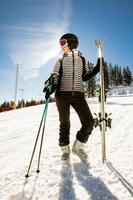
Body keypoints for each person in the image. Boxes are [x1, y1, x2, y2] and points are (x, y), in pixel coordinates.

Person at [44, 33, 102, 161]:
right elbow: (55, 74)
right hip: (62, 94)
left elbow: (84, 77)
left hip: (78, 95)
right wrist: (52, 85)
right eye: (60, 43)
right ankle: (65, 151)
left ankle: (78, 147)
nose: (61, 46)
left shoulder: (82, 59)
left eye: (63, 42)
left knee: (89, 122)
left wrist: (97, 68)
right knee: (64, 123)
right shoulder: (61, 58)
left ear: (71, 42)